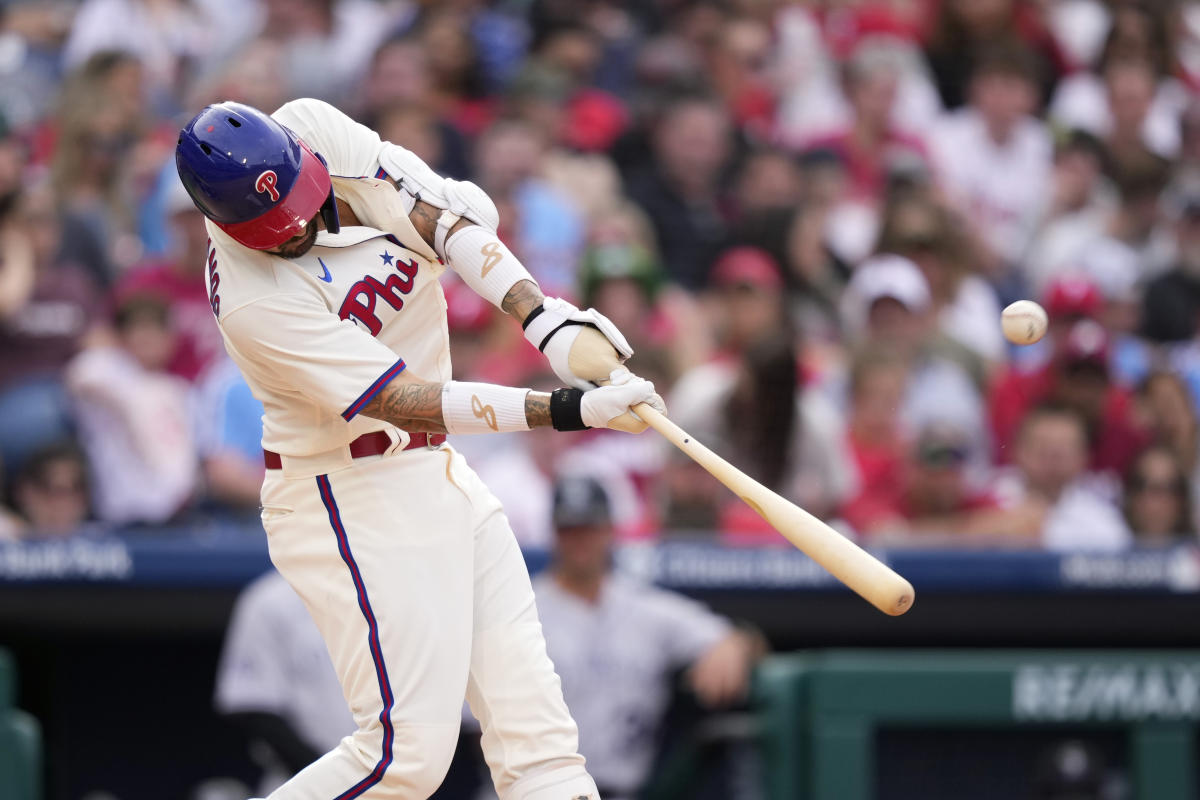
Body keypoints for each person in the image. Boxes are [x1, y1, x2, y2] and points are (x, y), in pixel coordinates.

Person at [175, 98, 666, 800]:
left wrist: (545, 320)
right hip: (347, 492)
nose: (301, 227)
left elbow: (444, 221)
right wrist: (567, 408)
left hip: (435, 471)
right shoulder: (253, 300)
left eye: (302, 201)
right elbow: (405, 401)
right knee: (402, 757)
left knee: (543, 746)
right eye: (274, 226)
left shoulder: (313, 129)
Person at [532, 476, 762, 800]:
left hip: (623, 790)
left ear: (610, 530)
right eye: (569, 529)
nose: (580, 540)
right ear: (554, 534)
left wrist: (733, 643)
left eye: (589, 527)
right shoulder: (522, 609)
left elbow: (738, 637)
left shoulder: (644, 608)